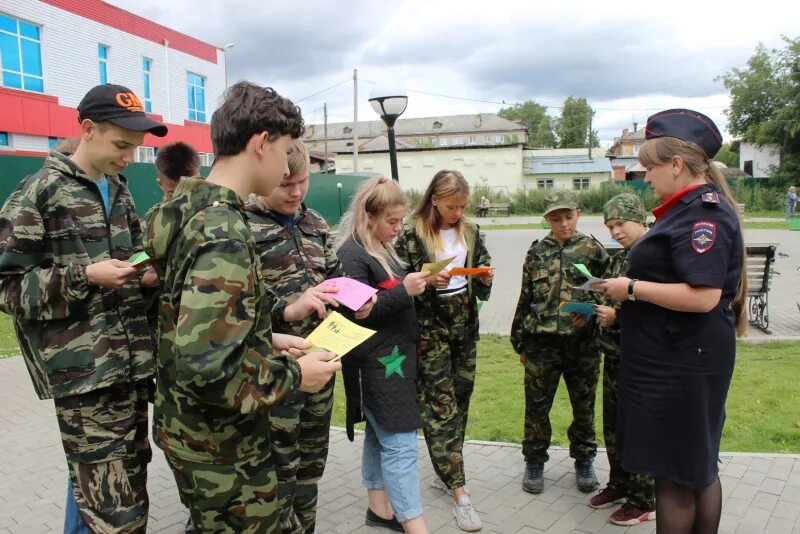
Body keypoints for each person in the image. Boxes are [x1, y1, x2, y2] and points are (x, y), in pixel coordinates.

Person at [144, 81, 340, 532]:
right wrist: (296, 376)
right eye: (286, 148)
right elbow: (207, 367)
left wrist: (263, 333)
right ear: (261, 143)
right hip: (222, 444)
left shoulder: (182, 211)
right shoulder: (224, 231)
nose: (287, 166)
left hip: (189, 430)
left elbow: (186, 320)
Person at [0, 83, 166, 533]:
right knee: (116, 512)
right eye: (121, 145)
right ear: (88, 130)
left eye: (136, 148)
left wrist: (146, 274)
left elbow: (129, 263)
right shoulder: (39, 193)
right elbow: (8, 286)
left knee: (114, 494)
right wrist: (84, 276)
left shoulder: (119, 190)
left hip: (131, 372)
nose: (129, 157)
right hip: (85, 378)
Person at [594, 108, 747, 533]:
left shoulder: (703, 215)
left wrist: (631, 288)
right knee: (691, 466)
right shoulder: (686, 209)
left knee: (681, 472)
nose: (646, 178)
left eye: (650, 168)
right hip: (676, 357)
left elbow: (703, 296)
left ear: (677, 165)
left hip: (683, 361)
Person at [244, 138, 374, 533]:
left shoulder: (314, 223)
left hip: (321, 364)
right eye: (286, 184)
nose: (296, 192)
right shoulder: (243, 228)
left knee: (310, 464)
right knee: (276, 468)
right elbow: (236, 307)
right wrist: (285, 309)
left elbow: (336, 277)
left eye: (302, 182)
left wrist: (357, 299)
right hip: (274, 371)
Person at [394, 170, 492, 532]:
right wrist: (427, 280)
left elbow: (481, 281)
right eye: (452, 206)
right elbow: (399, 281)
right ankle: (459, 491)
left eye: (462, 206)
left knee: (461, 399)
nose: (457, 213)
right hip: (430, 331)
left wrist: (484, 278)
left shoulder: (470, 231)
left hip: (464, 329)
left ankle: (446, 468)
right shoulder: (412, 233)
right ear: (434, 199)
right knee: (440, 407)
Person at [335, 176, 431, 533]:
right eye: (392, 221)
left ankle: (380, 510)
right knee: (401, 443)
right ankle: (414, 524)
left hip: (393, 364)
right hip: (373, 365)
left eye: (400, 220)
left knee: (380, 435)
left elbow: (384, 299)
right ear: (368, 215)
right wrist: (404, 291)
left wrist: (415, 286)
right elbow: (357, 313)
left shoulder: (380, 248)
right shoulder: (351, 255)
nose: (397, 228)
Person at [510, 189, 607, 496]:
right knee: (536, 408)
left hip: (582, 344)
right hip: (542, 343)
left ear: (578, 214)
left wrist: (591, 313)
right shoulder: (536, 250)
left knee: (584, 406)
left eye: (568, 216)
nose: (563, 223)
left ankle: (584, 460)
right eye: (555, 218)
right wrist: (521, 341)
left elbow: (607, 290)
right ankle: (535, 462)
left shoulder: (593, 249)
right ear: (546, 219)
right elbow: (526, 297)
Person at [590, 193, 655, 526]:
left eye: (620, 224)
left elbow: (657, 309)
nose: (614, 232)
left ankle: (644, 498)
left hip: (641, 359)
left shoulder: (653, 255)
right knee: (613, 426)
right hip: (615, 354)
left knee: (638, 429)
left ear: (639, 219)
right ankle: (619, 483)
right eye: (609, 226)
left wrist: (619, 318)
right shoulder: (623, 256)